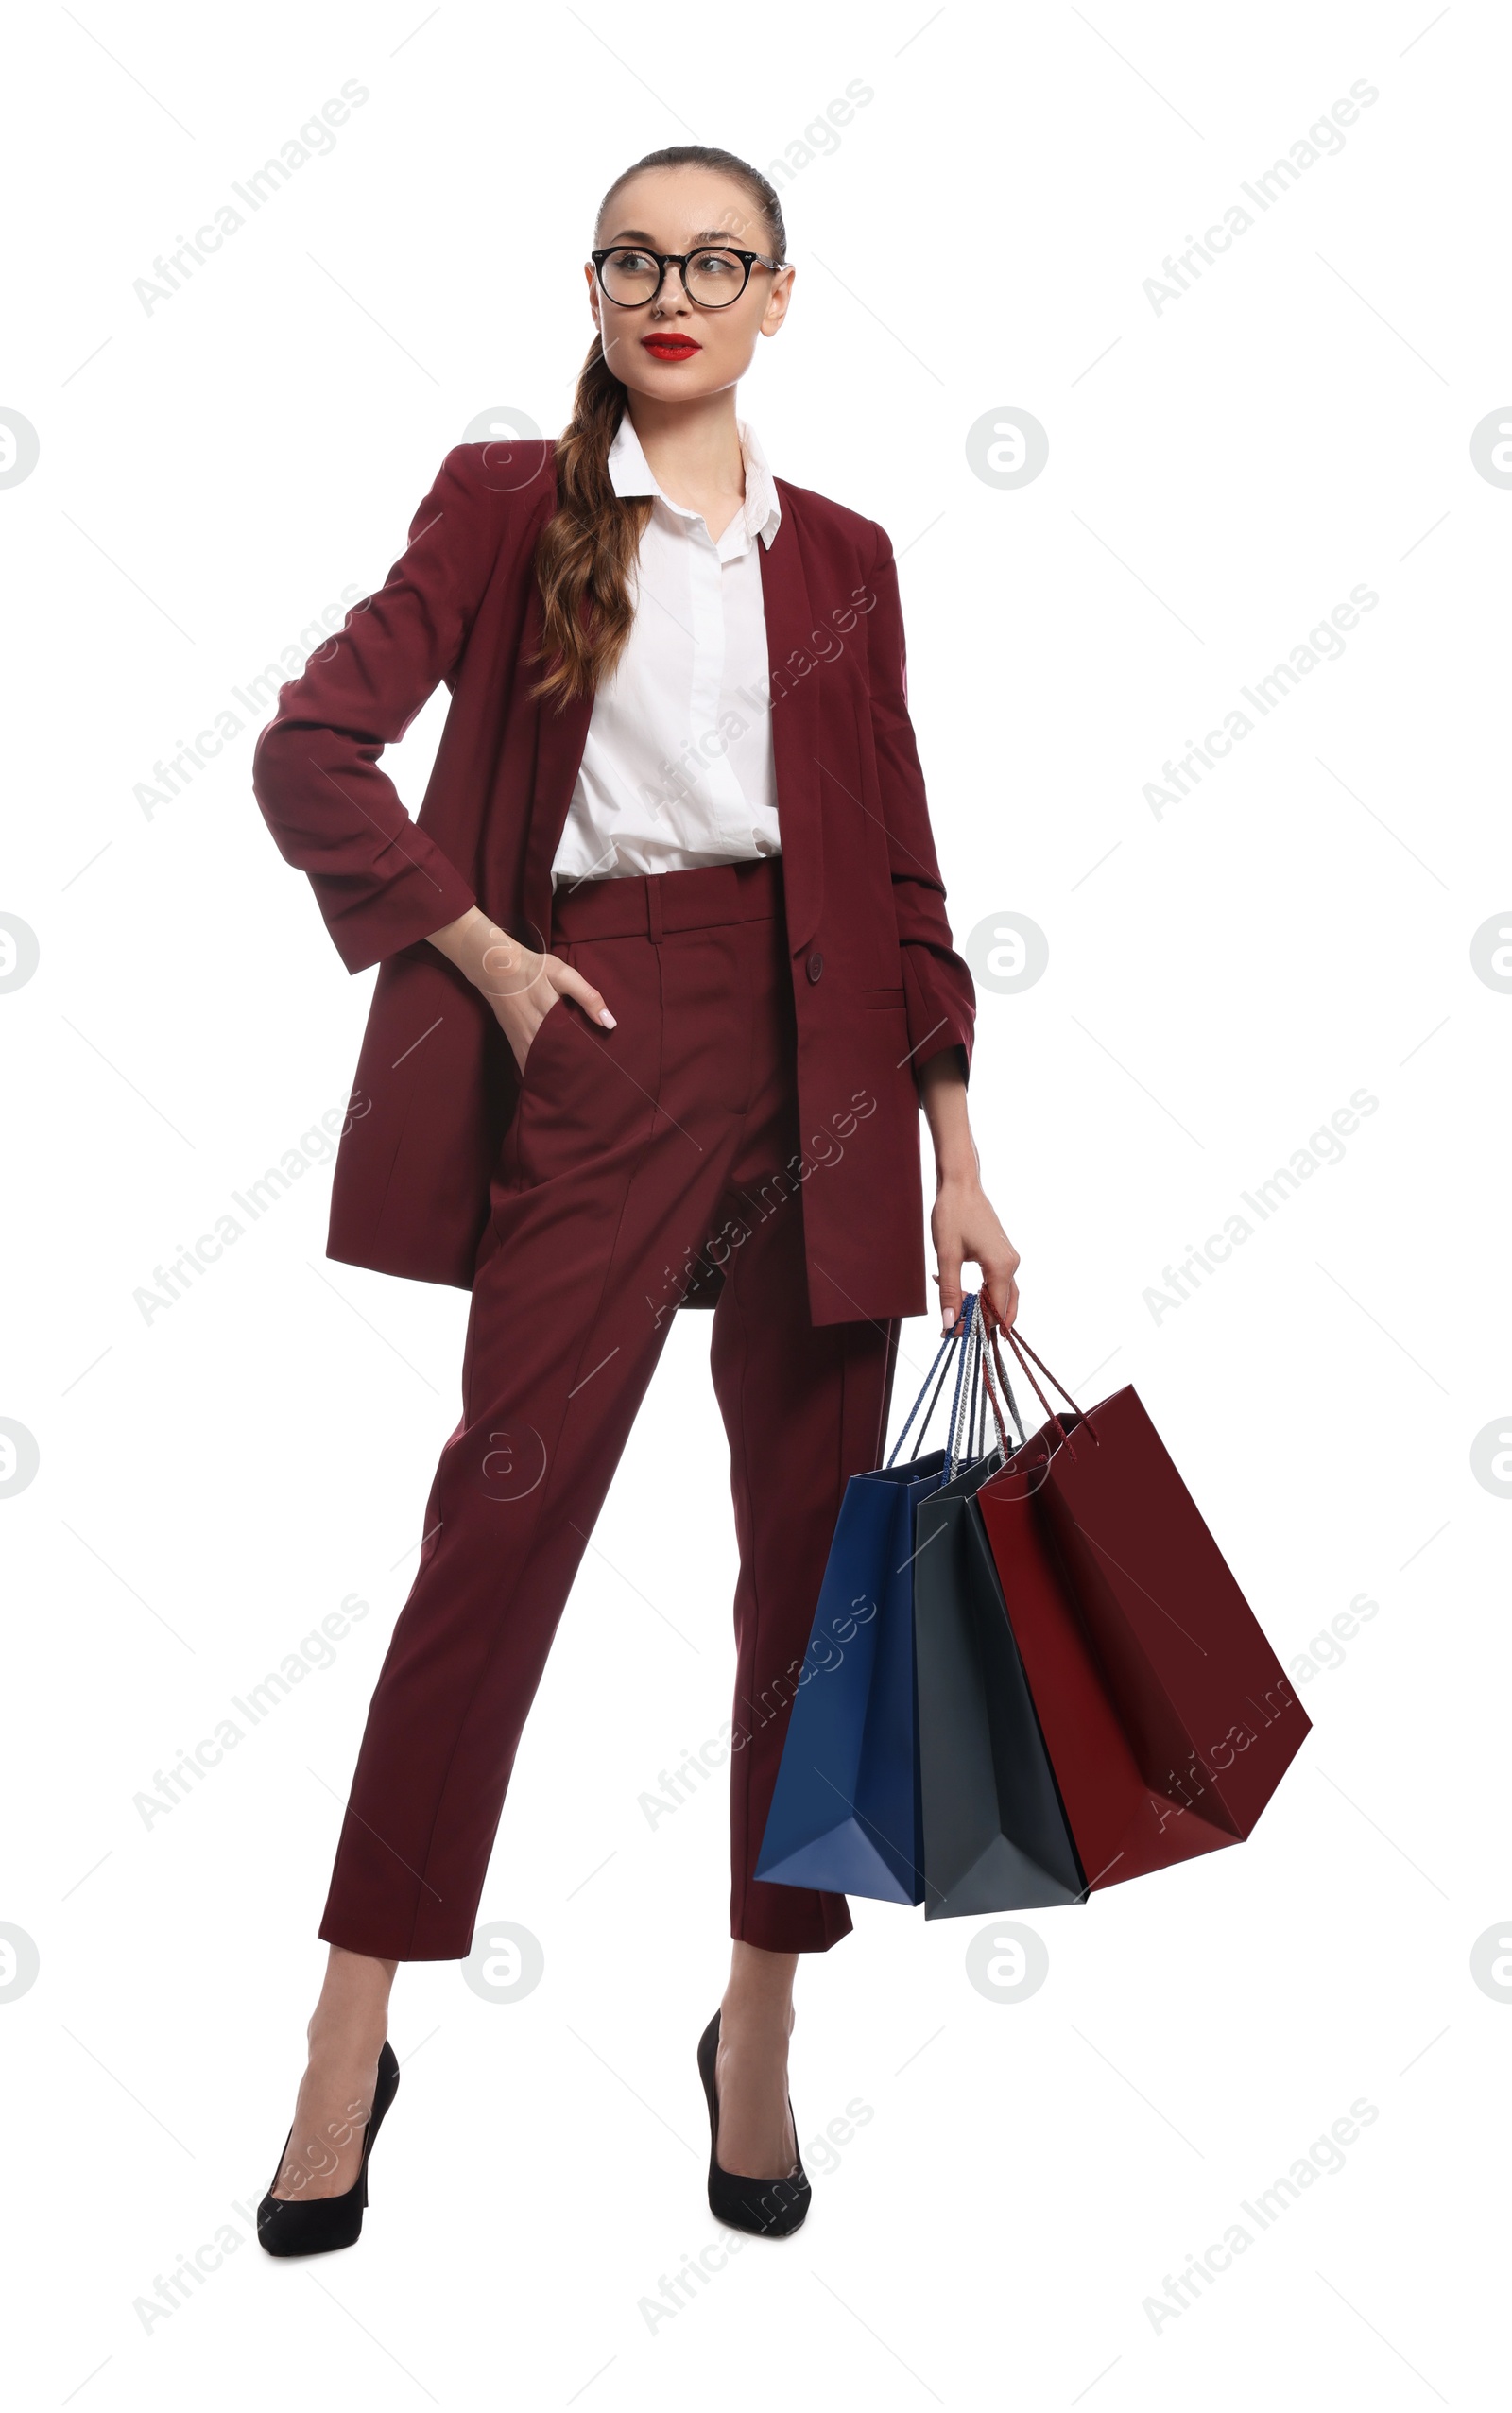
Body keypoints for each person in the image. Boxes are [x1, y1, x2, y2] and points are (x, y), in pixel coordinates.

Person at [249, 142, 1020, 2254]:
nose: (667, 287)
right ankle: (345, 2031)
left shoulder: (847, 552)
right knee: (495, 1527)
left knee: (813, 1569)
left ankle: (756, 2023)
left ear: (779, 298)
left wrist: (957, 1151)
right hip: (599, 1021)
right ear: (591, 287)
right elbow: (311, 748)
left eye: (715, 259)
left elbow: (906, 878)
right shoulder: (511, 505)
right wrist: (487, 959)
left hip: (838, 1055)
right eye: (630, 256)